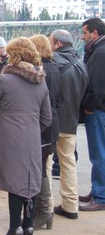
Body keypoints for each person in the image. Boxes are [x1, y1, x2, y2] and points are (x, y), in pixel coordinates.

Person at [0, 37, 52, 235]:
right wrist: (31, 130)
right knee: (29, 179)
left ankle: (14, 226)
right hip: (32, 137)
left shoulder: (4, 80)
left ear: (14, 55)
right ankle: (29, 225)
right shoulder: (41, 82)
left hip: (8, 137)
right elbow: (47, 118)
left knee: (14, 181)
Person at [48, 29, 89, 219]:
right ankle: (71, 206)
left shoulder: (52, 62)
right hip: (71, 121)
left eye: (50, 42)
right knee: (68, 162)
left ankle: (45, 206)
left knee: (46, 163)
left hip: (52, 121)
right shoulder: (82, 64)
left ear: (57, 44)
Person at [29, 35, 61, 229]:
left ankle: (44, 212)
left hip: (43, 128)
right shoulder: (53, 69)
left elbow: (44, 105)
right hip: (49, 126)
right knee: (39, 168)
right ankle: (42, 211)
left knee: (38, 169)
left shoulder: (43, 72)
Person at [79, 17, 105, 211]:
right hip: (99, 109)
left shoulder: (100, 53)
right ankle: (98, 189)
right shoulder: (98, 51)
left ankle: (100, 196)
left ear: (94, 33)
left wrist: (89, 106)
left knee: (99, 154)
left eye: (84, 33)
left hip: (98, 111)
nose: (82, 37)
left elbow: (96, 85)